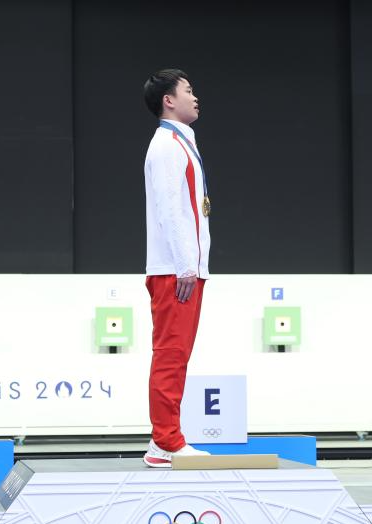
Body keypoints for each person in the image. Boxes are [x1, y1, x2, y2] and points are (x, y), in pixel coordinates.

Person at [140, 68, 212, 468]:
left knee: (177, 355)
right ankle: (167, 440)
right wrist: (186, 264)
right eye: (189, 90)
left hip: (186, 266)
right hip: (175, 269)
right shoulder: (166, 146)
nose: (195, 97)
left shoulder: (182, 144)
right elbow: (170, 209)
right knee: (170, 354)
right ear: (169, 100)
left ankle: (161, 441)